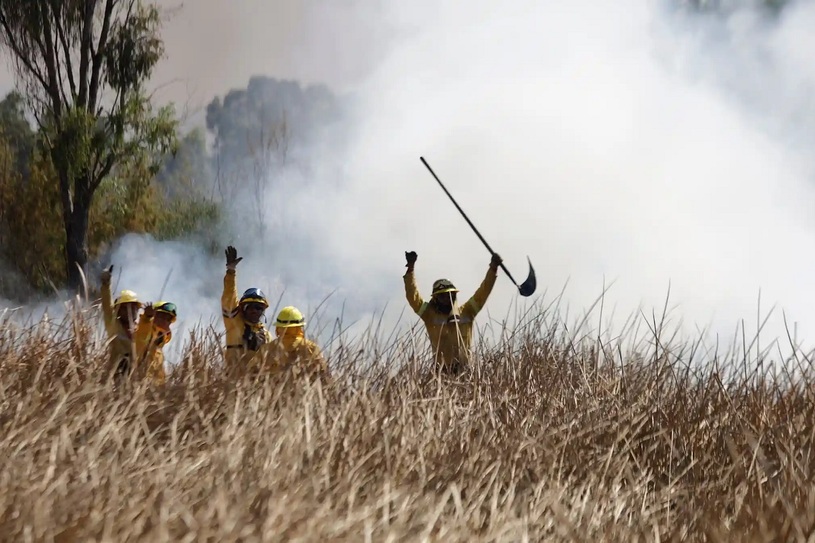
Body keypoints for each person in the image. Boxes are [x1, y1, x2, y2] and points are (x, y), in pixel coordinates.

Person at [403, 250, 502, 375]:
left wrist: (493, 269)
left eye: (450, 295)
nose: (446, 299)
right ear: (436, 298)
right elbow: (413, 297)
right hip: (441, 372)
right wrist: (410, 268)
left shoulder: (467, 311)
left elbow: (483, 292)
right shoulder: (429, 314)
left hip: (465, 370)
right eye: (443, 296)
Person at [221, 245, 273, 374]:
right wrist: (231, 271)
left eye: (258, 308)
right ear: (242, 308)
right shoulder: (235, 324)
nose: (254, 311)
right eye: (250, 307)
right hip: (233, 384)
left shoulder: (266, 335)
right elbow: (229, 299)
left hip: (257, 386)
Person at [100, 265, 142, 382]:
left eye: (134, 308)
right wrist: (106, 284)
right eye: (126, 308)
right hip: (117, 378)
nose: (131, 311)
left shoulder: (141, 328)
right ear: (118, 310)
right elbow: (107, 306)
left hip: (136, 379)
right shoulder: (113, 325)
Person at [266, 306, 329, 382]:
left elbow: (252, 373)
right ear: (299, 327)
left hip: (272, 393)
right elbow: (324, 375)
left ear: (278, 327)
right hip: (304, 392)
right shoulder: (311, 347)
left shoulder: (267, 349)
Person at [133, 301, 178, 385]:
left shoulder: (159, 348)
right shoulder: (142, 334)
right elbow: (144, 328)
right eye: (161, 317)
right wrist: (147, 316)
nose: (165, 321)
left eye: (168, 319)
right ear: (154, 316)